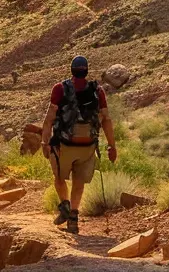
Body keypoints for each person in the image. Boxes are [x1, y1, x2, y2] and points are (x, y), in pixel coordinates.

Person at [40, 55, 116, 235]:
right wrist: (112, 145)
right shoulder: (98, 90)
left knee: (58, 177)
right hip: (88, 146)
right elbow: (106, 119)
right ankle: (73, 219)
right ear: (87, 70)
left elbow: (50, 118)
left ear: (71, 70)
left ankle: (65, 206)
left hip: (63, 145)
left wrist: (45, 141)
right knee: (79, 182)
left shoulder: (60, 89)